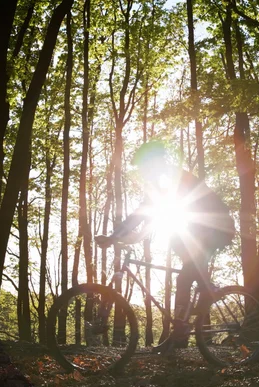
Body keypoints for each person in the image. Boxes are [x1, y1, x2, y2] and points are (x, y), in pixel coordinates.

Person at [95, 141, 235, 353]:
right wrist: (117, 237)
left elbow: (153, 212)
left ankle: (206, 291)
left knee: (185, 273)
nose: (143, 172)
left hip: (218, 228)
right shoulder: (160, 183)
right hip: (198, 229)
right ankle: (180, 332)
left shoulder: (174, 177)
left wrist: (118, 236)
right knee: (183, 269)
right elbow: (143, 214)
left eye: (144, 166)